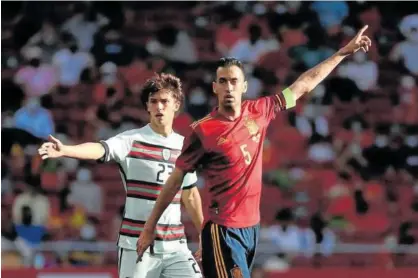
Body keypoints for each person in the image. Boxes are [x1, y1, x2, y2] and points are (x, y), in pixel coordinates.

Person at [137, 26, 372, 277]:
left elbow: (303, 85)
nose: (229, 87)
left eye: (234, 81)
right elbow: (175, 181)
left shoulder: (260, 111)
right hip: (223, 229)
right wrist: (150, 227)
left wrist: (342, 53)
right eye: (223, 81)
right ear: (215, 87)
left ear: (244, 86)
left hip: (252, 228)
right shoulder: (203, 131)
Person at [38, 73, 204, 278]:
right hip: (137, 244)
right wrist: (66, 150)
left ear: (176, 104)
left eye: (164, 101)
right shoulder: (132, 140)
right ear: (147, 106)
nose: (159, 107)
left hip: (176, 246)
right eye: (154, 101)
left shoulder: (184, 146)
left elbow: (190, 194)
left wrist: (204, 233)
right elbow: (100, 149)